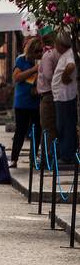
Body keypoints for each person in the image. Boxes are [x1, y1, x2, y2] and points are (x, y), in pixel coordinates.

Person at [11, 37, 44, 167]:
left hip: (36, 101)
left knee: (37, 131)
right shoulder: (21, 60)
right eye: (37, 51)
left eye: (41, 51)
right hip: (22, 102)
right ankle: (14, 159)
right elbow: (17, 77)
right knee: (21, 130)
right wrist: (34, 69)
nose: (39, 53)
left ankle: (33, 158)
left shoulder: (43, 60)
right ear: (31, 50)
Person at [52, 32, 77, 167]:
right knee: (62, 125)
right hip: (61, 96)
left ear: (61, 44)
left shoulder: (69, 54)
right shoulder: (66, 54)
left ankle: (66, 156)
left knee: (65, 126)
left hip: (65, 97)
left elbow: (71, 66)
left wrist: (64, 76)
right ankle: (66, 154)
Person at [37, 32, 58, 150]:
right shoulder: (56, 54)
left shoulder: (48, 55)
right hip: (52, 94)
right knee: (51, 127)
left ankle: (48, 155)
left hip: (48, 94)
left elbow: (48, 75)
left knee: (47, 127)